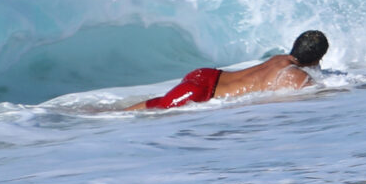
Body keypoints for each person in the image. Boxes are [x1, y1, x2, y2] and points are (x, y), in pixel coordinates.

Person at [137, 30, 330, 110]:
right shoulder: (296, 76)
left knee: (154, 105)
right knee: (152, 113)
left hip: (206, 75)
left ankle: (106, 111)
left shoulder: (279, 59)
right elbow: (317, 95)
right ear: (319, 58)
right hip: (203, 92)